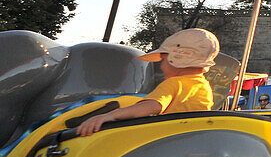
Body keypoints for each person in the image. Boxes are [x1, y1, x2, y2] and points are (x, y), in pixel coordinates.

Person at [77, 28, 218, 136]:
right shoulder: (204, 86)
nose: (162, 66)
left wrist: (109, 115)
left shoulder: (174, 83)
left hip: (164, 141)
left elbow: (151, 107)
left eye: (163, 60)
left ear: (176, 59)